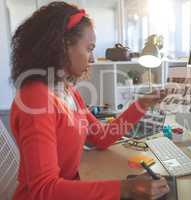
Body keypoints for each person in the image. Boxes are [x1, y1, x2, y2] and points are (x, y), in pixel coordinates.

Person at [10, 2, 169, 200]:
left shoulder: (68, 91)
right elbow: (44, 190)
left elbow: (101, 137)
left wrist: (141, 104)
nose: (92, 58)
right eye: (89, 48)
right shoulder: (36, 100)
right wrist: (125, 189)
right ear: (62, 45)